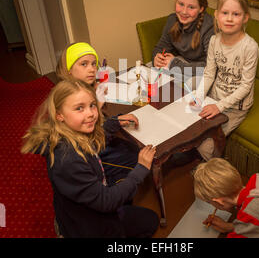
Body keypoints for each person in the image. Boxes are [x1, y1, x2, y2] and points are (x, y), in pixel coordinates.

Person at [21, 79, 159, 238]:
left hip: (78, 210)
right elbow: (107, 201)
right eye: (79, 108)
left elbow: (92, 142)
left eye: (92, 105)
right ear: (59, 115)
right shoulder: (68, 159)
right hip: (89, 226)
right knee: (151, 221)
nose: (91, 113)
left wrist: (114, 123)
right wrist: (140, 170)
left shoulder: (70, 133)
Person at [191, 0, 259, 160]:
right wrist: (199, 96)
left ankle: (218, 170)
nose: (229, 18)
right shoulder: (214, 40)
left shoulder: (250, 47)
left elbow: (246, 86)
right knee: (191, 130)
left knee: (205, 148)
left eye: (236, 14)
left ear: (245, 17)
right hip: (214, 97)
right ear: (217, 15)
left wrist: (219, 107)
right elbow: (209, 73)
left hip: (235, 107)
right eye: (225, 13)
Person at [56, 42, 140, 180]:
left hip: (93, 141)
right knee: (133, 153)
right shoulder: (67, 98)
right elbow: (86, 138)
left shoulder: (84, 88)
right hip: (87, 152)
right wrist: (96, 105)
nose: (92, 69)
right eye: (84, 64)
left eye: (94, 64)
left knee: (130, 145)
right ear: (68, 69)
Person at [193, 158, 259, 238]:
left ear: (219, 201)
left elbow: (256, 220)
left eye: (209, 202)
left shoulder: (250, 214)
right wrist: (230, 227)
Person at [152, 0, 214, 85]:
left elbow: (211, 67)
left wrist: (175, 64)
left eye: (191, 7)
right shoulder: (172, 20)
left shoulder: (209, 27)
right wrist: (156, 57)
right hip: (180, 64)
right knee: (148, 71)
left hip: (202, 72)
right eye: (181, 4)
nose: (184, 12)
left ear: (201, 9)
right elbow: (160, 48)